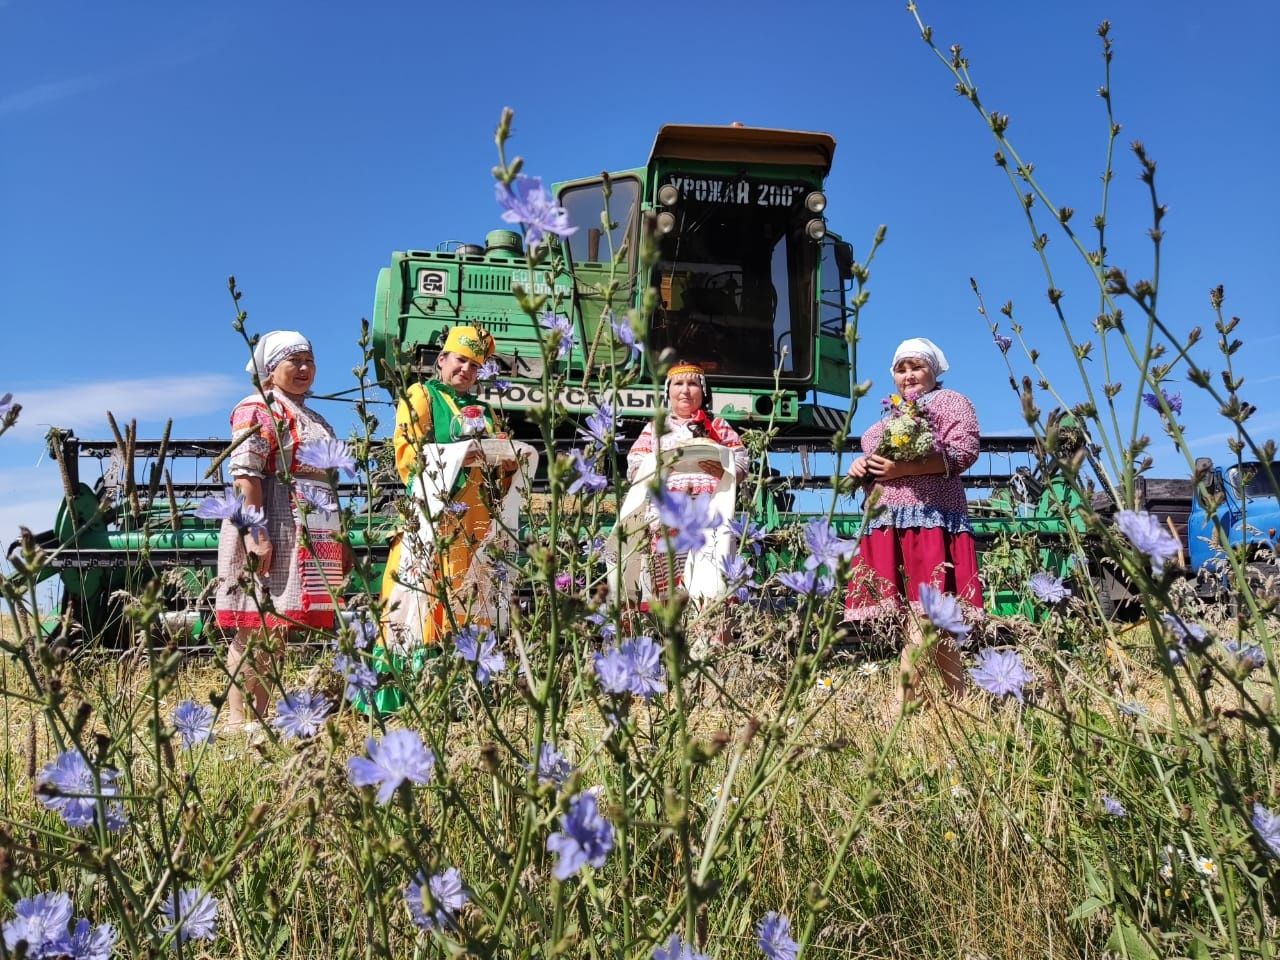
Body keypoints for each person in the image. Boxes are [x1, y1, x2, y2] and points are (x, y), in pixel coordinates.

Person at [372, 325, 532, 713]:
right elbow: (407, 452)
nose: (466, 370)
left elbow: (496, 465)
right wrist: (459, 458)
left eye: (475, 365)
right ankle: (412, 693)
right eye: (461, 360)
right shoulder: (421, 395)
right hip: (436, 520)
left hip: (476, 525)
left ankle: (464, 695)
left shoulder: (487, 411)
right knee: (424, 596)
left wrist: (507, 464)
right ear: (441, 360)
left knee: (472, 599)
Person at [214, 331, 344, 728]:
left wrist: (343, 543)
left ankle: (263, 714)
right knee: (254, 622)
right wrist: (255, 532)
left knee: (278, 626)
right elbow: (246, 473)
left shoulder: (314, 417)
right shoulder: (257, 408)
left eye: (309, 360)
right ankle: (240, 719)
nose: (304, 368)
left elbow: (331, 479)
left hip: (310, 524)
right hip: (273, 518)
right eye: (295, 361)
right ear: (271, 370)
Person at [844, 337, 982, 698]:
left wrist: (901, 466)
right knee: (933, 621)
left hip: (931, 517)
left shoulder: (952, 402)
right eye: (901, 370)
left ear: (933, 370)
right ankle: (961, 701)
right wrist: (863, 469)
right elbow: (881, 472)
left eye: (916, 367)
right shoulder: (887, 418)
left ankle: (900, 714)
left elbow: (964, 452)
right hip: (889, 521)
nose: (909, 375)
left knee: (925, 616)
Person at [619, 361, 749, 606]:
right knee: (667, 583)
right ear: (668, 391)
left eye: (692, 384)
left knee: (710, 579)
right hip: (666, 517)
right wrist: (657, 467)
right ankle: (667, 633)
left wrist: (726, 469)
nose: (685, 390)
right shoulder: (655, 428)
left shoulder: (718, 426)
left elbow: (741, 458)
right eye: (678, 384)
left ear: (703, 391)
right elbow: (634, 463)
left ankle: (707, 635)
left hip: (709, 515)